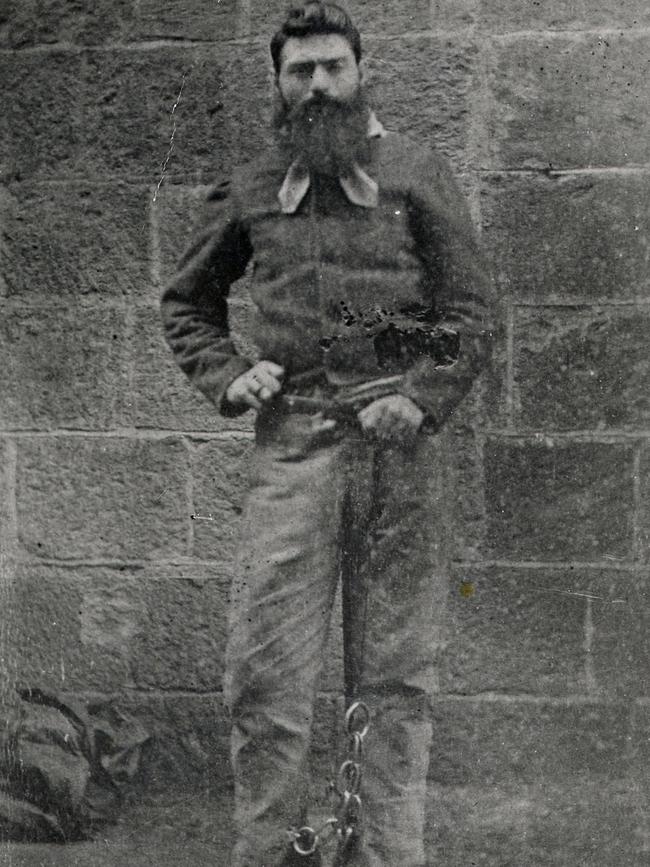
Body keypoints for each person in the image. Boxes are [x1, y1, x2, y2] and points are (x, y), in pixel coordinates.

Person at [160, 3, 492, 865]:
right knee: (265, 679)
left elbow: (470, 313)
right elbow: (187, 304)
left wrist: (420, 396)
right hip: (294, 450)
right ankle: (268, 855)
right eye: (300, 70)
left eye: (332, 67)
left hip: (400, 456)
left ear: (360, 71)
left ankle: (389, 856)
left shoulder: (418, 174)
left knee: (396, 679)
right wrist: (230, 375)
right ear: (278, 82)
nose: (317, 85)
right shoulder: (252, 184)